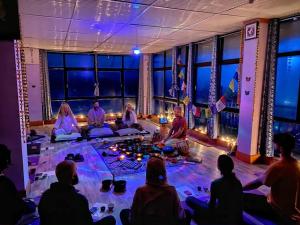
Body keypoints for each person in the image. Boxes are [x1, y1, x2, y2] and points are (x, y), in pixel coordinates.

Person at [243, 133, 300, 224]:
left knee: (239, 198)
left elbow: (257, 183)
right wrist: (264, 174)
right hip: (294, 212)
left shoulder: (278, 166)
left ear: (279, 146)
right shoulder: (297, 165)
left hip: (278, 211)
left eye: (275, 143)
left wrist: (240, 188)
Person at [38, 160, 116, 225]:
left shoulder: (45, 196)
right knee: (111, 219)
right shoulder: (79, 200)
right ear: (73, 176)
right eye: (76, 170)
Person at [120, 156, 191, 225]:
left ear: (148, 172)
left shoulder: (141, 191)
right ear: (164, 172)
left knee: (123, 213)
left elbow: (133, 217)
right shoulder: (171, 190)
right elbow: (180, 215)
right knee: (187, 213)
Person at [186, 154, 243, 224]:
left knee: (189, 199)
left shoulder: (216, 183)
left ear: (219, 167)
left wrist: (208, 202)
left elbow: (211, 206)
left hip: (220, 217)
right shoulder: (238, 182)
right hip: (236, 217)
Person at [0, 144, 36, 225]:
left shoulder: (5, 183)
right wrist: (32, 205)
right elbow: (19, 207)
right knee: (35, 213)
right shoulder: (5, 183)